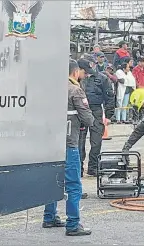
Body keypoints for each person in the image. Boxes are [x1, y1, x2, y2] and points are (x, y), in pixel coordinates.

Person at [42, 60, 94, 236]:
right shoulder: (75, 90)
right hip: (69, 143)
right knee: (73, 185)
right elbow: (88, 119)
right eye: (82, 72)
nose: (84, 75)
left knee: (51, 181)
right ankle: (73, 224)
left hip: (50, 143)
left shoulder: (50, 89)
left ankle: (49, 217)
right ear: (76, 71)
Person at [77, 57, 115, 176]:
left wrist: (109, 115)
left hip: (96, 110)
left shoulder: (102, 78)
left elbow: (110, 97)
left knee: (96, 141)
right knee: (79, 142)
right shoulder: (75, 79)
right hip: (80, 111)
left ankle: (93, 167)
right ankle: (79, 168)